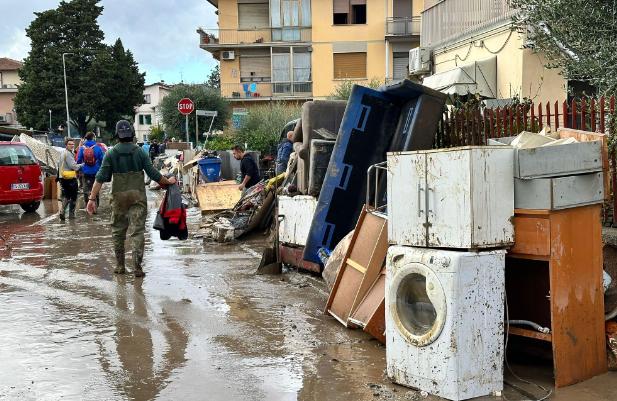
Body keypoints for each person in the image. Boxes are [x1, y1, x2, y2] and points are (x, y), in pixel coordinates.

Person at [86, 120, 177, 277]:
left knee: (117, 231)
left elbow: (100, 178)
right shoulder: (140, 152)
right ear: (132, 134)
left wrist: (91, 199)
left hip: (119, 198)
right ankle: (137, 268)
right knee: (138, 231)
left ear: (117, 135)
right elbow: (153, 174)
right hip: (137, 197)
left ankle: (120, 266)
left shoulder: (111, 153)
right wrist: (168, 182)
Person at [76, 131, 105, 207]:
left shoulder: (82, 148)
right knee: (95, 187)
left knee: (86, 188)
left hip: (85, 172)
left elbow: (78, 160)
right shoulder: (98, 148)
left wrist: (80, 169)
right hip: (96, 171)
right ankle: (96, 205)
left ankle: (87, 205)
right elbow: (102, 160)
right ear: (93, 138)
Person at [58, 138, 83, 220]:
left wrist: (79, 146)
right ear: (66, 145)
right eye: (70, 144)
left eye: (73, 144)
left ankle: (62, 211)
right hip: (70, 178)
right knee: (74, 196)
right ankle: (71, 215)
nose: (72, 145)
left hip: (63, 178)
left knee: (67, 195)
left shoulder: (63, 153)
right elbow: (74, 166)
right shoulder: (68, 154)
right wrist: (82, 165)